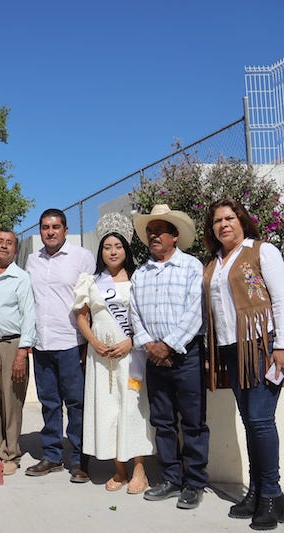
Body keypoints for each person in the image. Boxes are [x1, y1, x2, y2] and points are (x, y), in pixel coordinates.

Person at [202, 198, 284, 529]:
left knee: (261, 420)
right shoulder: (214, 262)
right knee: (250, 421)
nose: (224, 224)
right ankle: (259, 490)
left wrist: (282, 345)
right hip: (230, 349)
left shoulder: (262, 251)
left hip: (262, 346)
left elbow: (280, 299)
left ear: (241, 221)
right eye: (218, 221)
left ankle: (272, 495)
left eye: (229, 218)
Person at [130, 204, 208, 510]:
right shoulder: (141, 274)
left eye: (159, 231)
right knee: (162, 421)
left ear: (175, 236)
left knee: (193, 422)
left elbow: (196, 311)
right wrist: (150, 345)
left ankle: (195, 482)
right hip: (154, 358)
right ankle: (172, 478)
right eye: (150, 232)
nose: (153, 236)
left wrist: (170, 345)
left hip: (185, 357)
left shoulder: (192, 267)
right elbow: (135, 313)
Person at [73, 213, 153, 494]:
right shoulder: (91, 281)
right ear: (101, 251)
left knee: (133, 407)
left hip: (132, 356)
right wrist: (94, 342)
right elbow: (82, 315)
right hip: (101, 357)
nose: (112, 251)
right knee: (108, 409)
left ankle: (139, 468)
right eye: (107, 247)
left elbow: (146, 317)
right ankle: (119, 470)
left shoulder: (139, 278)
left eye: (118, 246)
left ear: (126, 250)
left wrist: (131, 342)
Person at [25, 208, 95, 482]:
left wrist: (88, 341)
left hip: (71, 343)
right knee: (49, 403)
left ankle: (79, 461)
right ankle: (52, 456)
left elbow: (91, 300)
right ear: (40, 231)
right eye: (45, 227)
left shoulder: (82, 258)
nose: (50, 232)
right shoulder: (32, 260)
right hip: (42, 344)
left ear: (65, 230)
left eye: (55, 227)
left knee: (76, 403)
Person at [0, 228, 36, 475]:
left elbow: (29, 316)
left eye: (9, 243)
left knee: (11, 402)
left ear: (15, 249)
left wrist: (22, 352)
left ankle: (12, 454)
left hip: (11, 346)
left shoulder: (20, 278)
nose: (4, 246)